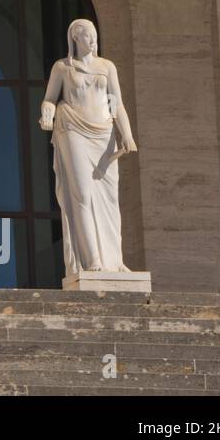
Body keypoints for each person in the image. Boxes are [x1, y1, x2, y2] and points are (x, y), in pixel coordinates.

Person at [39, 18, 137, 276]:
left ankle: (113, 261)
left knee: (108, 199)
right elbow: (49, 100)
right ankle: (90, 259)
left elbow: (116, 105)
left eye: (94, 36)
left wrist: (126, 134)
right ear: (75, 39)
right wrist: (47, 114)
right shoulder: (62, 68)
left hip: (103, 134)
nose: (93, 40)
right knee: (81, 194)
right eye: (87, 36)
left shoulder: (107, 67)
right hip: (72, 129)